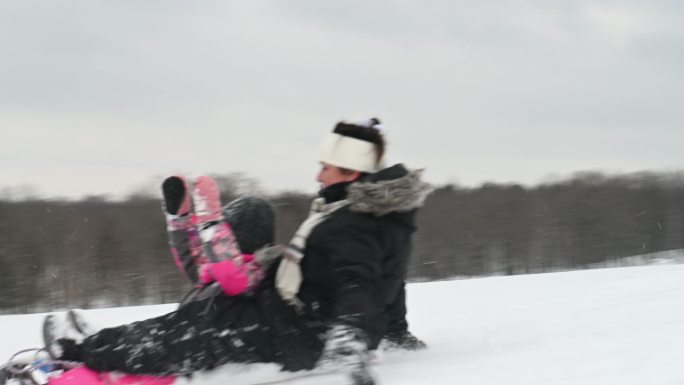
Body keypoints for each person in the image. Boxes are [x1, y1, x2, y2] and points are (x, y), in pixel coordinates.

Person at [42, 118, 432, 384]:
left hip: (292, 332)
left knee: (181, 339)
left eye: (326, 168)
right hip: (280, 311)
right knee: (190, 317)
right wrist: (396, 331)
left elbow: (357, 282)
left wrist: (352, 335)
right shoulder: (373, 215)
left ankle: (80, 353)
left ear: (351, 173)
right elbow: (389, 279)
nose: (318, 175)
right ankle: (97, 345)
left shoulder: (355, 223)